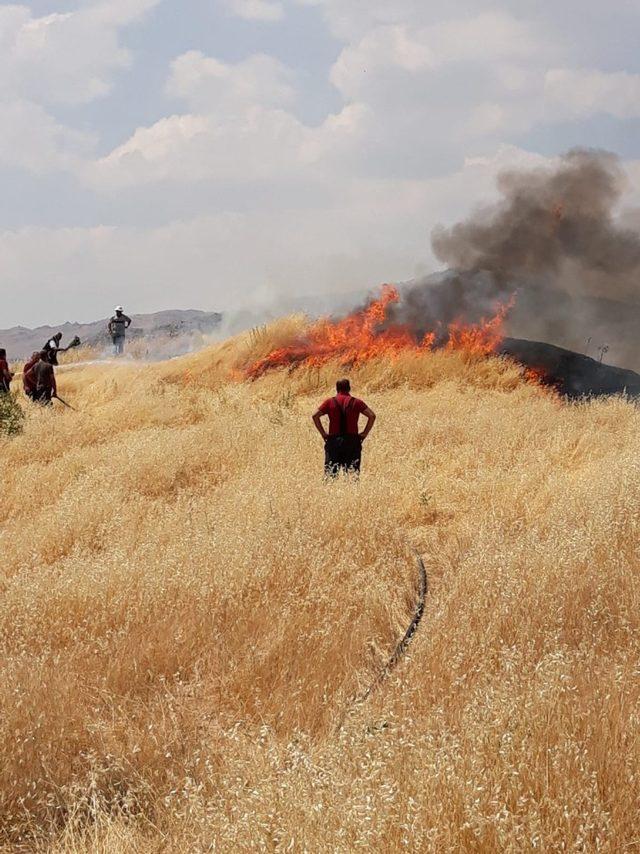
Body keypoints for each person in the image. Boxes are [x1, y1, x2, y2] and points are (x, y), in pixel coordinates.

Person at [312, 379, 376, 477]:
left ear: (337, 389)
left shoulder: (329, 402)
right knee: (352, 476)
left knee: (330, 476)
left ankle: (330, 492)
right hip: (352, 441)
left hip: (333, 441)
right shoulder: (357, 402)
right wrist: (364, 433)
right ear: (349, 388)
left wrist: (323, 434)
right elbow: (372, 416)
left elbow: (315, 416)